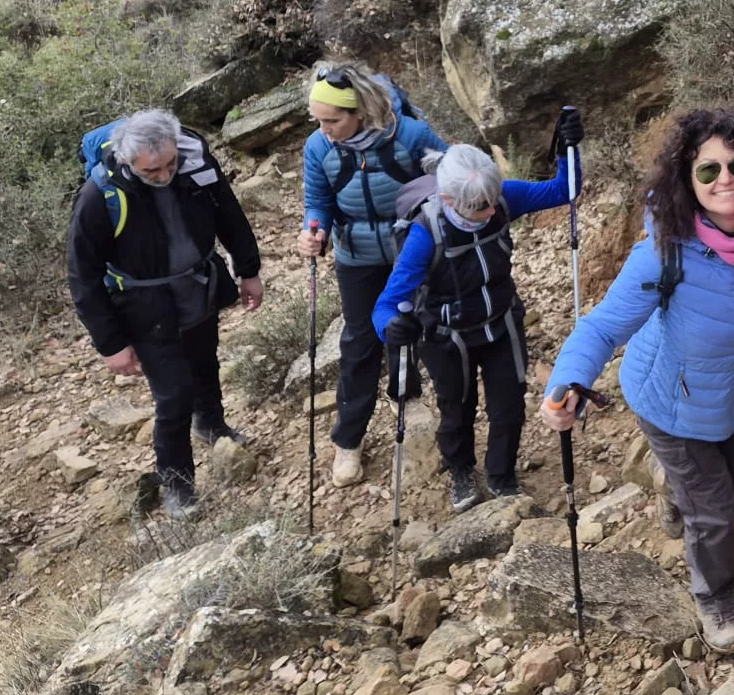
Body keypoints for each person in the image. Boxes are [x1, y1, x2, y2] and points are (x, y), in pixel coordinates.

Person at [541, 109, 734, 656]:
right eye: (708, 170)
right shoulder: (664, 251)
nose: (725, 179)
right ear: (687, 178)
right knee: (713, 514)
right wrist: (568, 381)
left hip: (733, 393)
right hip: (669, 403)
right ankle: (715, 599)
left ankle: (673, 487)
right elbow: (602, 327)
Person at [66, 108, 265, 517]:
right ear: (127, 161)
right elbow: (82, 276)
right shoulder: (99, 196)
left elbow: (229, 215)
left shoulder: (195, 166)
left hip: (197, 288)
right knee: (173, 395)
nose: (164, 175)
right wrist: (111, 344)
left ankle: (211, 425)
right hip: (144, 308)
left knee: (205, 364)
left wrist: (249, 271)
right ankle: (177, 483)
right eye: (152, 171)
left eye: (170, 164)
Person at [374, 138, 578, 513]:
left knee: (509, 404)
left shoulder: (502, 199)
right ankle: (461, 471)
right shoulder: (425, 233)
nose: (489, 211)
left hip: (501, 321)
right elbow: (386, 304)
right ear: (448, 199)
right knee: (457, 407)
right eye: (478, 207)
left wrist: (568, 147)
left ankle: (502, 477)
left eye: (491, 201)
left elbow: (564, 190)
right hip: (446, 334)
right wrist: (392, 328)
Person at [295, 62, 452, 488]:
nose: (324, 130)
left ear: (360, 111)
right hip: (356, 255)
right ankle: (348, 439)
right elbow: (318, 201)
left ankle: (412, 399)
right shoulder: (318, 147)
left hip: (413, 251)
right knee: (360, 341)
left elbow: (452, 178)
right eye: (318, 121)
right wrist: (314, 230)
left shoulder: (411, 135)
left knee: (416, 325)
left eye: (332, 121)